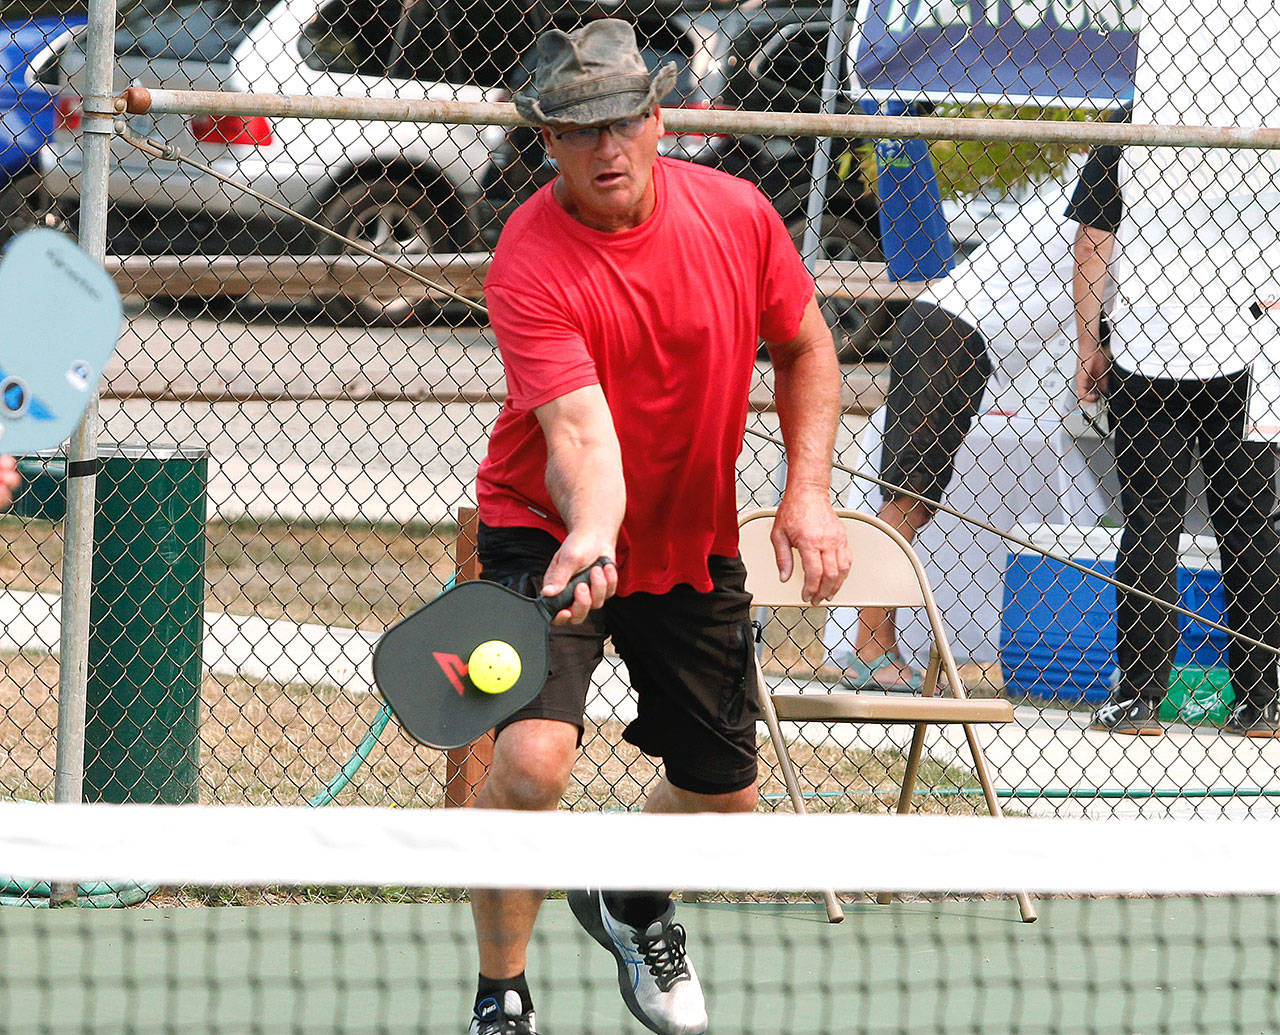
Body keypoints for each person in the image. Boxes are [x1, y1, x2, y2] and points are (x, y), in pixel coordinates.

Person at [468, 19, 851, 1035]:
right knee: (530, 763)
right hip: (544, 533)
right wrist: (590, 530)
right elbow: (578, 433)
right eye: (580, 130)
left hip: (691, 538)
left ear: (658, 118)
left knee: (722, 804)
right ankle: (500, 992)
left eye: (624, 122)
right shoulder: (528, 255)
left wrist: (806, 489)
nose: (607, 149)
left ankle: (626, 895)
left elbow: (806, 349)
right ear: (545, 139)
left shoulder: (735, 215)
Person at [836, 148, 1119, 692]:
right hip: (951, 332)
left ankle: (876, 643)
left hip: (960, 334)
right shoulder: (1112, 184)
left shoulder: (1105, 177)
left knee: (911, 498)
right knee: (907, 499)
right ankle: (870, 647)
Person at [1076, 8, 1280, 738]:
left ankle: (1138, 696)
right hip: (1252, 348)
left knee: (1152, 525)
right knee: (1253, 525)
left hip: (1150, 344)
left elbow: (1093, 242)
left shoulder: (1132, 121)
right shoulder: (1267, 120)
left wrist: (1089, 341)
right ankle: (1263, 699)